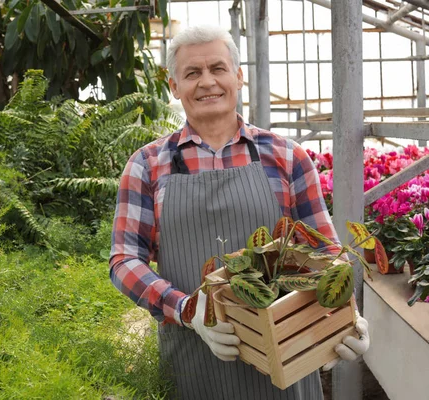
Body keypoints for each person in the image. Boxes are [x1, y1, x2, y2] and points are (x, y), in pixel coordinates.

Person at [109, 25, 369, 399]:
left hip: (287, 353)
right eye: (192, 73)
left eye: (218, 68)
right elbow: (123, 261)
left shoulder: (285, 157)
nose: (207, 82)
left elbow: (326, 251)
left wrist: (347, 317)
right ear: (173, 86)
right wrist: (188, 310)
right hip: (192, 363)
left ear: (238, 76)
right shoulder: (148, 166)